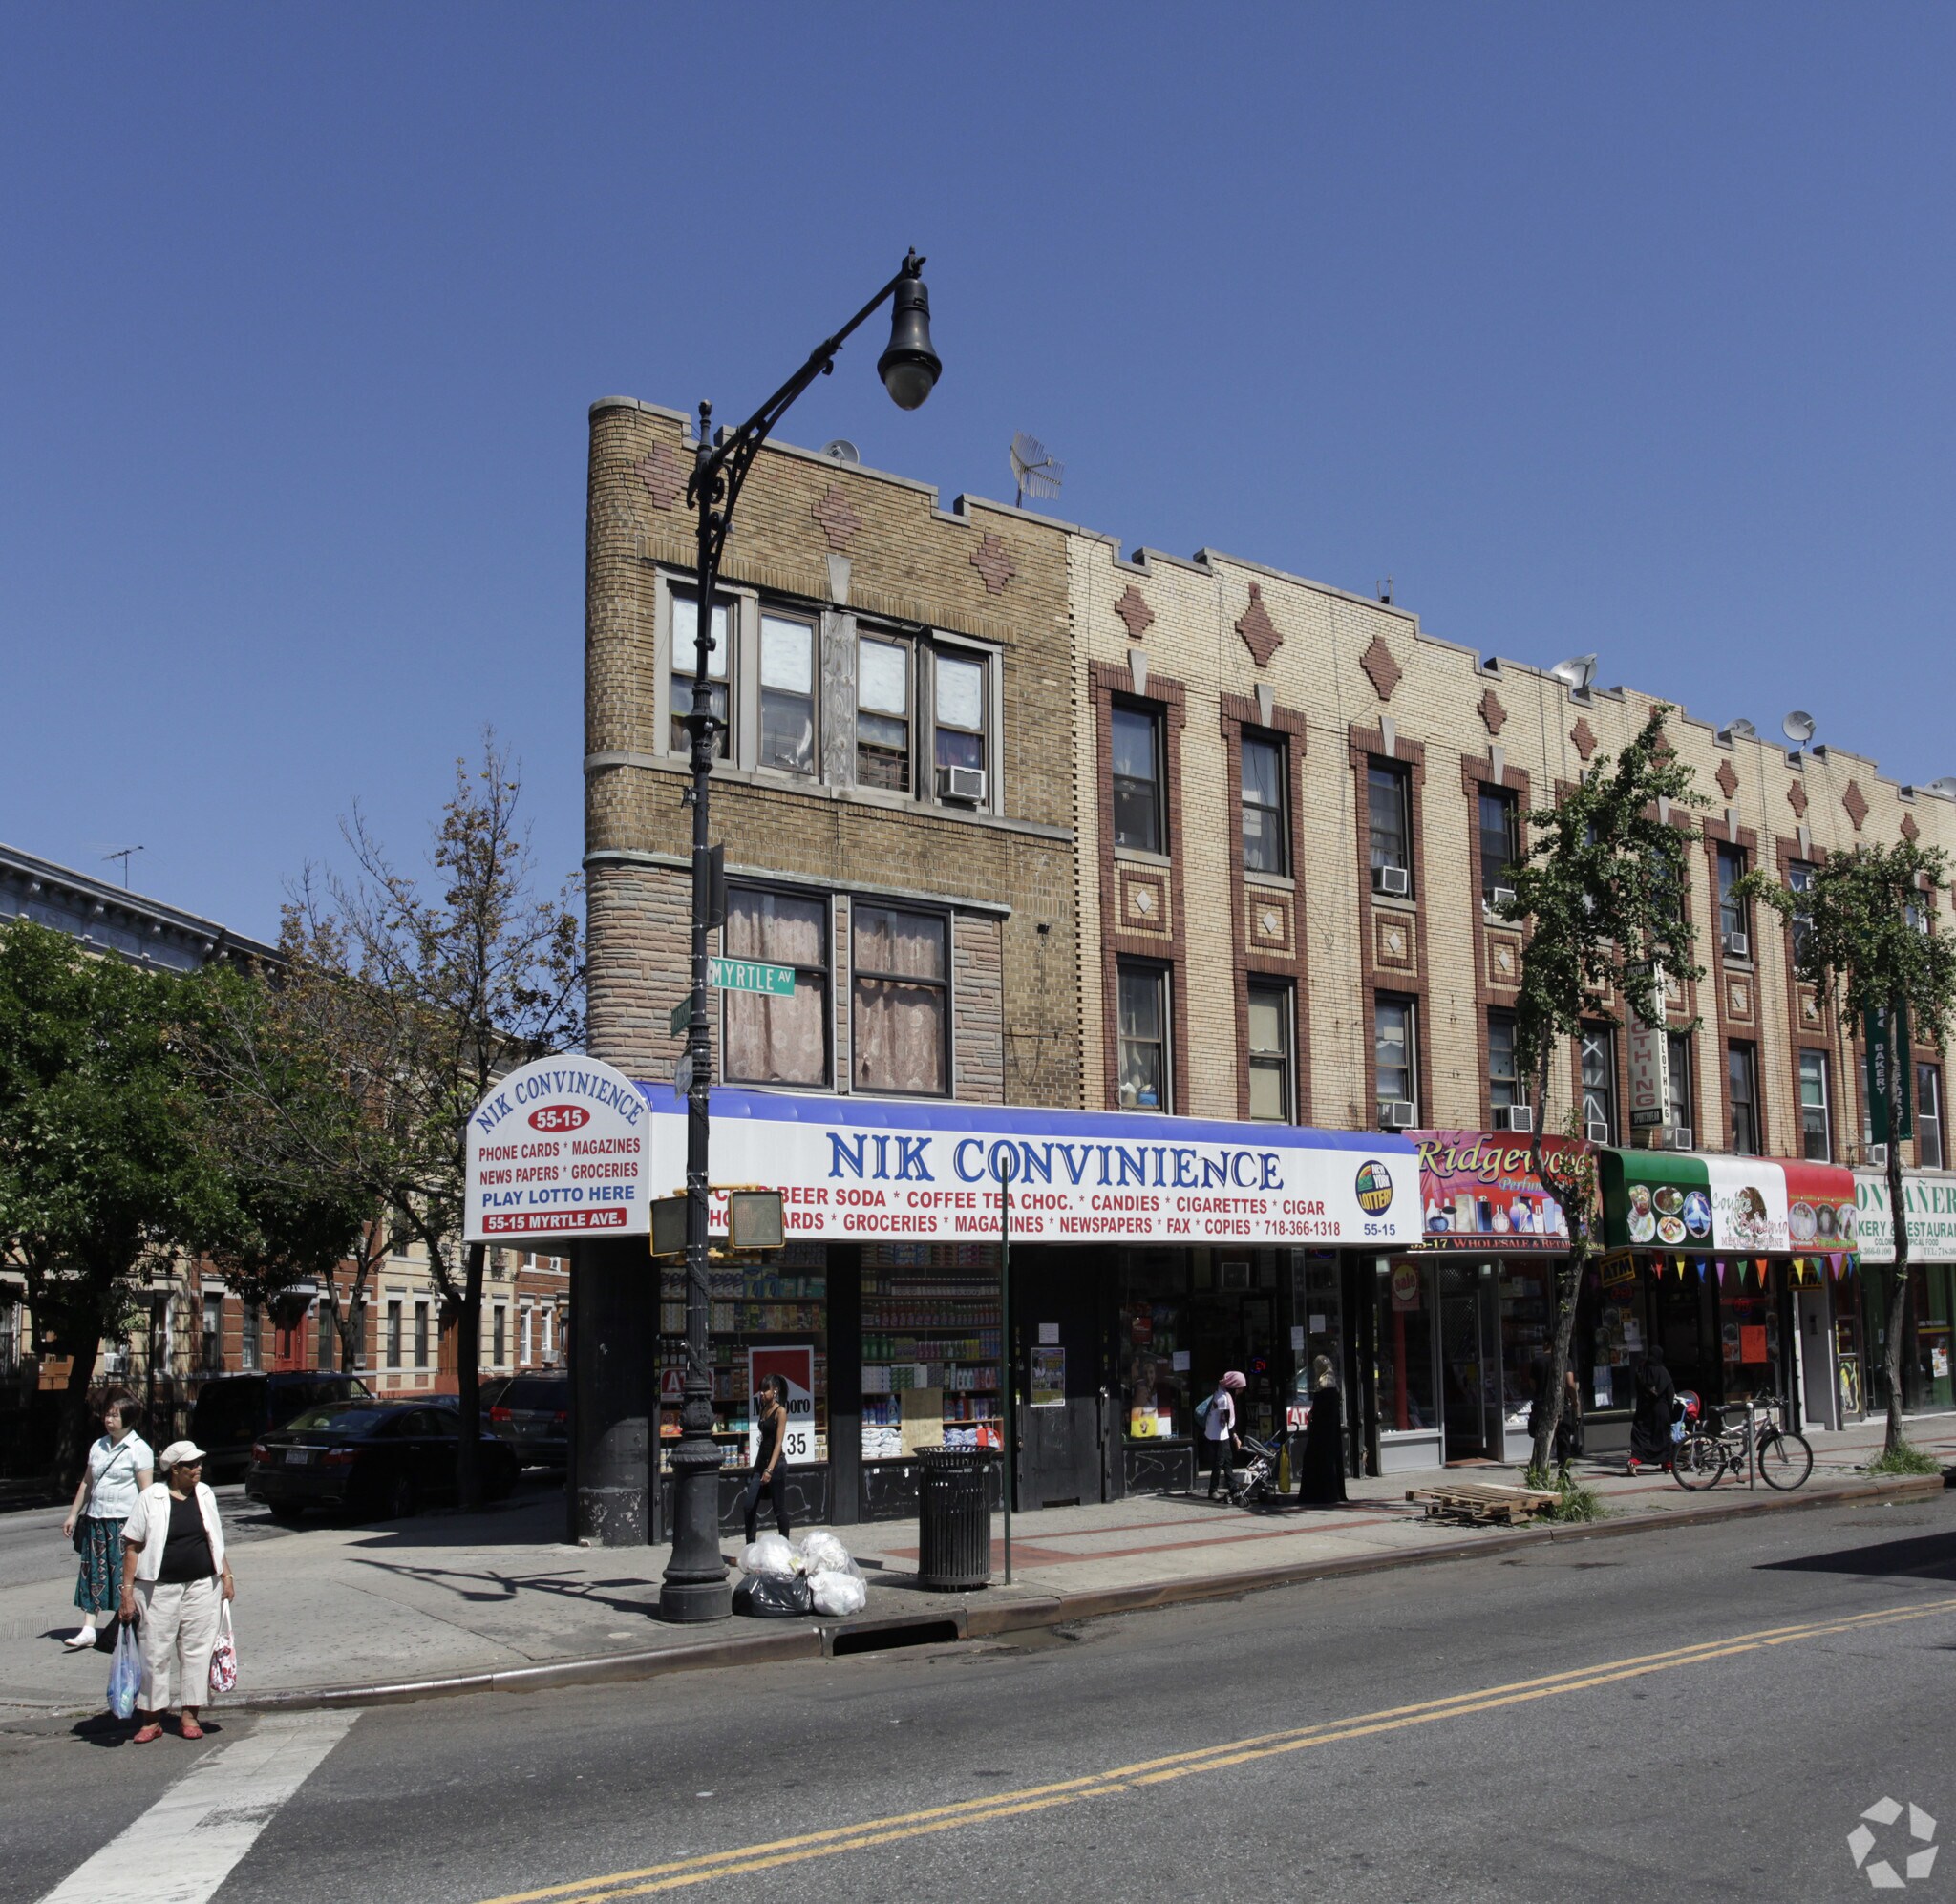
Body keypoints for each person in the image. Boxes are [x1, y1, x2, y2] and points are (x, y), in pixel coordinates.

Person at [117, 1440, 233, 1742]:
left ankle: (190, 1716)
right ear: (175, 1469)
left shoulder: (205, 1494)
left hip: (202, 1585)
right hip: (158, 1589)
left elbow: (215, 1539)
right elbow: (132, 1546)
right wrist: (127, 1592)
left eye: (199, 1463)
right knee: (154, 1650)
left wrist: (227, 1574)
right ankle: (151, 1719)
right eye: (191, 1464)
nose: (198, 1468)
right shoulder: (150, 1498)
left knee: (197, 1648)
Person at [60, 1392, 154, 1650]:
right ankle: (88, 1628)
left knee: (121, 1574)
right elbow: (87, 1482)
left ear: (129, 1418)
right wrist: (73, 1513)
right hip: (96, 1519)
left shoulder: (139, 1450)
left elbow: (147, 1492)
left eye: (115, 1415)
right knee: (93, 1572)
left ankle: (125, 1625)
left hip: (124, 1522)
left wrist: (147, 1525)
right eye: (107, 1414)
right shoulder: (98, 1446)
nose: (108, 1419)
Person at [742, 1374, 792, 1546]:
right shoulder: (763, 1408)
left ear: (775, 1391)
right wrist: (758, 1467)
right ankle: (750, 1547)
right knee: (749, 1506)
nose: (761, 1394)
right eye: (760, 1390)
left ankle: (785, 1547)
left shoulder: (781, 1412)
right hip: (760, 1463)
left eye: (765, 1390)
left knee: (779, 1509)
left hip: (776, 1465)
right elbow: (764, 1440)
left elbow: (778, 1443)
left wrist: (769, 1469)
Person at [1295, 1356, 1348, 1506]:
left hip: (1322, 1431)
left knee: (1316, 1459)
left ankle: (1320, 1493)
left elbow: (1322, 1407)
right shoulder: (1330, 1382)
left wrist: (1313, 1414)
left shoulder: (1326, 1383)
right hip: (1328, 1430)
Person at [1627, 1343, 1676, 1475]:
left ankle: (1634, 1461)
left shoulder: (1642, 1370)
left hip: (1644, 1411)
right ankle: (1667, 1465)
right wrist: (1671, 1411)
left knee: (1642, 1437)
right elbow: (1670, 1393)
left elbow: (1638, 1389)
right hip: (1661, 1410)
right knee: (1663, 1438)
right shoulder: (1663, 1372)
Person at [1202, 1370, 1246, 1501]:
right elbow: (1228, 1422)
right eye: (1240, 1389)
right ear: (1234, 1387)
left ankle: (1233, 1488)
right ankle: (1213, 1490)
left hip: (1222, 1432)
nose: (1241, 1392)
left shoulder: (1224, 1394)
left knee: (1228, 1459)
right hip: (1217, 1433)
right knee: (1219, 1461)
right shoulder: (1223, 1399)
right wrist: (1236, 1438)